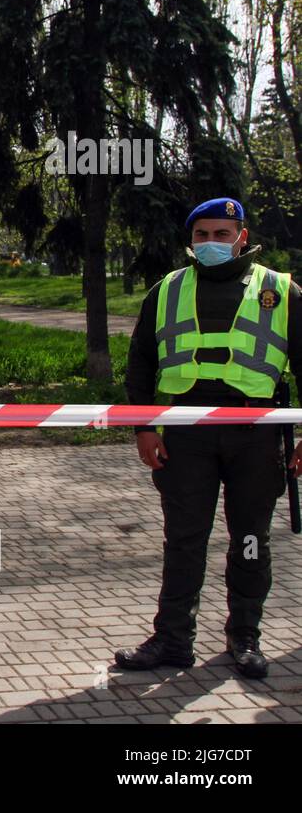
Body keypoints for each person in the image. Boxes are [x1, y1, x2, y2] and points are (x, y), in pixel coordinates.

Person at [118, 197, 302, 680]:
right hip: (184, 437)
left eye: (222, 234)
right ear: (191, 241)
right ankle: (173, 640)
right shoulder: (166, 289)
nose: (211, 243)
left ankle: (245, 637)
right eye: (202, 235)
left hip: (256, 436)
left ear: (242, 236)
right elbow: (140, 363)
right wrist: (143, 428)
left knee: (249, 539)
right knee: (183, 540)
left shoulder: (280, 290)